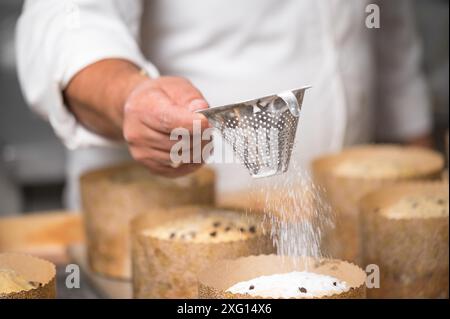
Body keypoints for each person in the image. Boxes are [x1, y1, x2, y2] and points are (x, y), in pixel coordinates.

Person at [16, 0, 432, 209]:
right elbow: (69, 18)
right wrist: (129, 94)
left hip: (340, 219)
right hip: (167, 226)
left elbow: (388, 26)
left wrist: (419, 171)